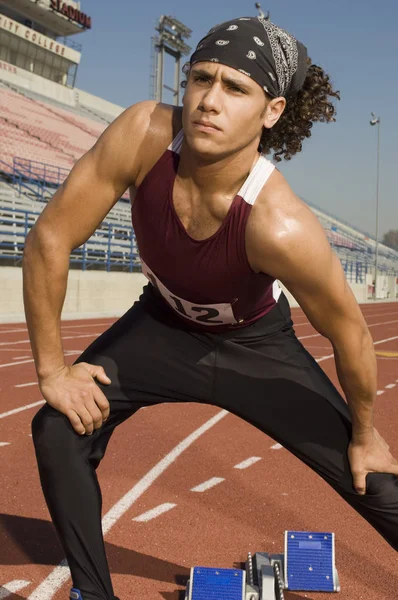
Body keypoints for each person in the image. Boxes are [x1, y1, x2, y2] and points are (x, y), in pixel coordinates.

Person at [23, 16, 398, 600]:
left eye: (236, 88)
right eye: (202, 78)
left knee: (371, 479)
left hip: (255, 348)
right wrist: (52, 370)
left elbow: (348, 332)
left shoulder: (281, 224)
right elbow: (50, 237)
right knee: (56, 427)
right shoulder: (143, 134)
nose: (209, 101)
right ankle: (92, 594)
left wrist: (367, 431)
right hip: (162, 328)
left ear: (271, 111)